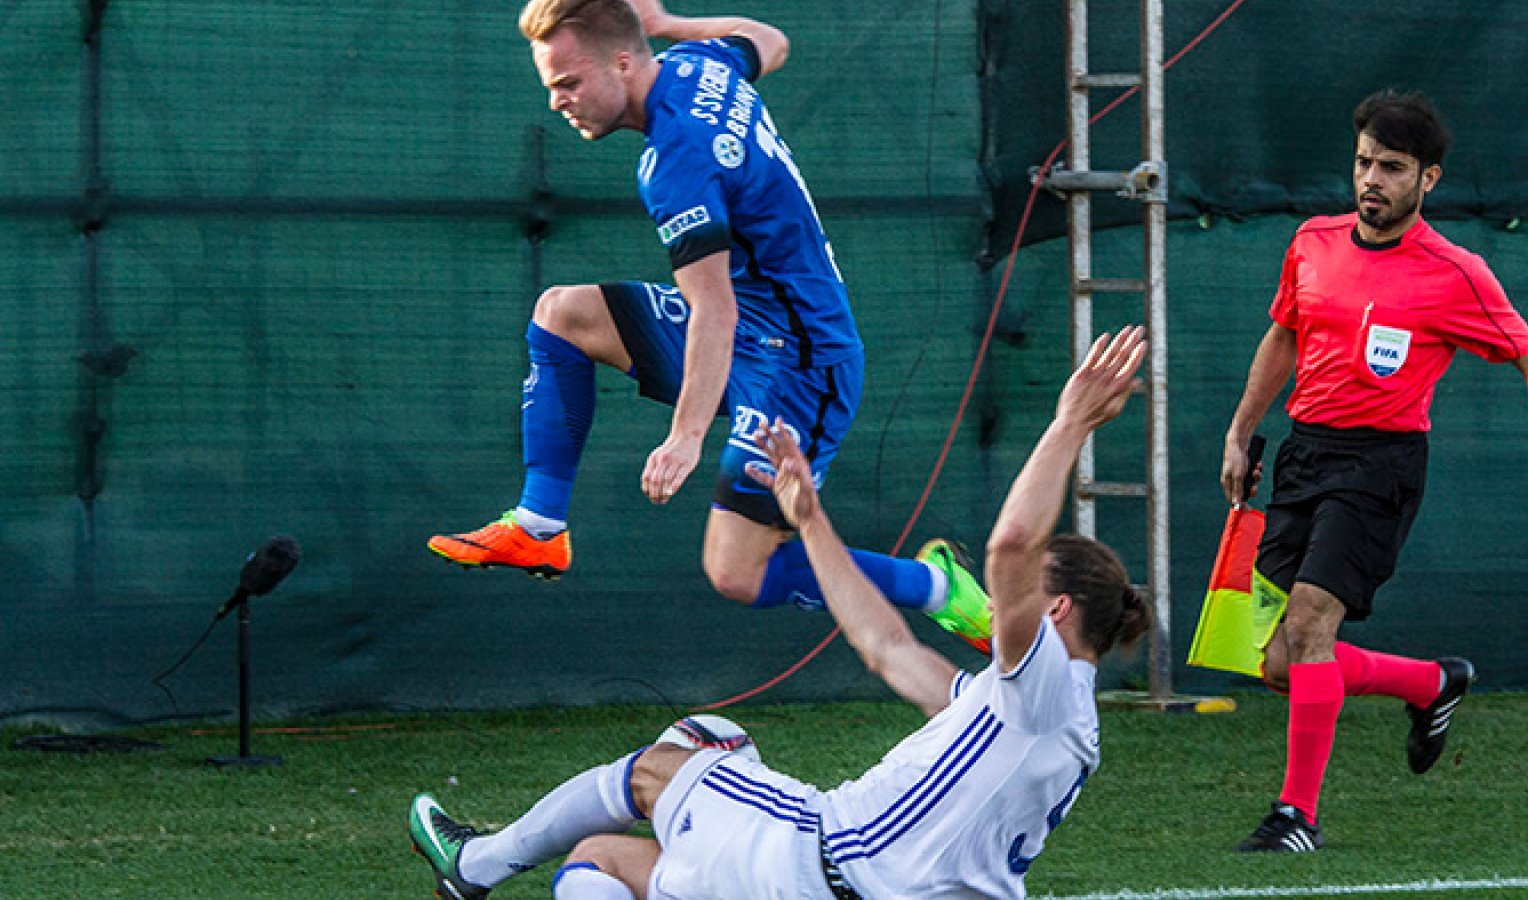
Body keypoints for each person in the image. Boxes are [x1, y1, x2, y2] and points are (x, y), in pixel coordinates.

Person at [408, 327, 1153, 900]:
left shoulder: (1045, 686)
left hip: (818, 862)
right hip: (825, 875)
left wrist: (1071, 423)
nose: (1002, 599)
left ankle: (473, 865)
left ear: (1056, 608)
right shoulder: (1029, 710)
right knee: (610, 850)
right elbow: (887, 647)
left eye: (1024, 590)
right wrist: (810, 519)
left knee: (660, 768)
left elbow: (1012, 542)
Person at [426, 0, 989, 647]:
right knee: (563, 315)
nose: (557, 102)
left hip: (801, 366)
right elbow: (769, 38)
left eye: (568, 83)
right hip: (747, 330)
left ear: (622, 63)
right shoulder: (696, 62)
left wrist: (685, 437)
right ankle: (538, 527)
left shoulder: (677, 160)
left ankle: (940, 588)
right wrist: (666, 25)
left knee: (737, 572)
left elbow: (714, 310)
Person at [1220, 88, 1528, 853]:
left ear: (1429, 179)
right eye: (1364, 162)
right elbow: (1283, 336)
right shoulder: (1311, 242)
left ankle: (1296, 816)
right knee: (1280, 661)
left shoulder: (1456, 272)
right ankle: (1431, 683)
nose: (1371, 179)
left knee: (1313, 622)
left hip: (1379, 465)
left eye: (1391, 167)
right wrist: (1240, 431)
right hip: (1304, 454)